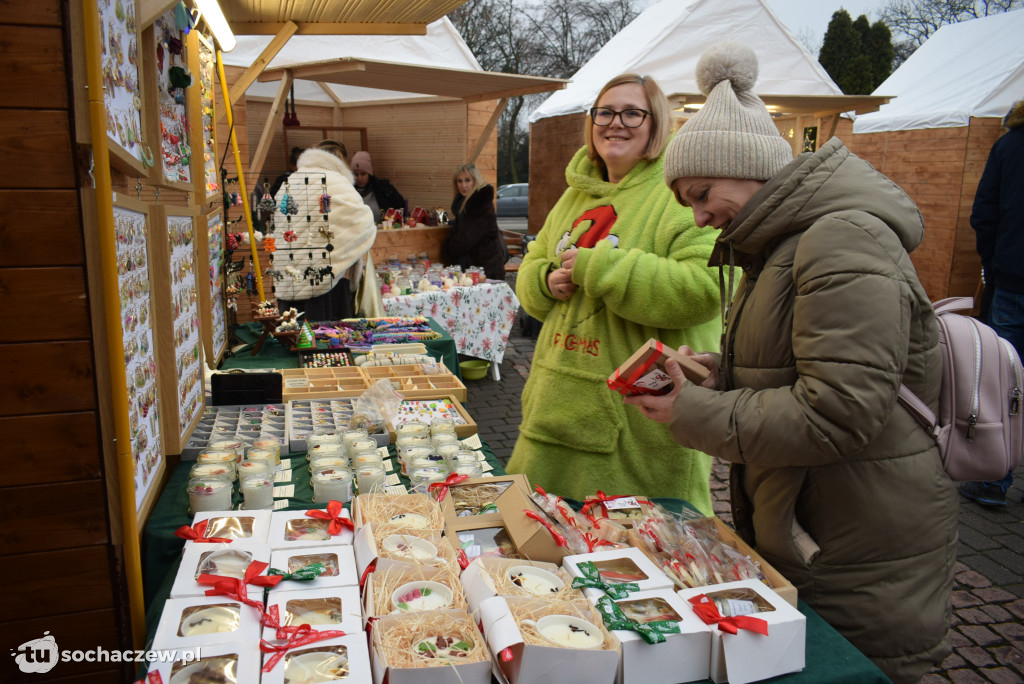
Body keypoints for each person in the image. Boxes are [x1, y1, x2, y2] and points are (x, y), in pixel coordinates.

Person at [624, 43, 957, 683]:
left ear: (747, 167)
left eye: (702, 194)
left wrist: (696, 410)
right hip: (827, 527)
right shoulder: (785, 243)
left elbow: (839, 411)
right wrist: (721, 373)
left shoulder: (839, 238)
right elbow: (808, 366)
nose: (699, 217)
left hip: (857, 544)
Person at [504, 73, 722, 512]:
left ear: (656, 122)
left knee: (632, 555)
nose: (614, 123)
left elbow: (704, 289)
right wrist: (545, 280)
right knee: (540, 545)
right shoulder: (573, 197)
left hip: (635, 423)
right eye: (604, 112)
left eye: (631, 113)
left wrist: (603, 267)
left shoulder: (676, 193)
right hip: (554, 410)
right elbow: (530, 271)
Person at [960, 97, 1024, 506]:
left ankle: (994, 478)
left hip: (1014, 277)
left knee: (1004, 383)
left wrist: (993, 265)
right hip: (1012, 274)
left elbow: (983, 213)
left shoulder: (1010, 145)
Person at [273, 139, 376, 321]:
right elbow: (364, 224)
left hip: (289, 279)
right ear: (340, 160)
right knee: (327, 341)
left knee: (290, 336)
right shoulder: (339, 183)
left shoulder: (289, 182)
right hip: (325, 282)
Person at [441, 163, 508, 280]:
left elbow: (466, 238)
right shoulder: (466, 203)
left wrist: (447, 247)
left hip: (485, 270)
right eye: (459, 181)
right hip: (477, 268)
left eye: (468, 180)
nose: (463, 185)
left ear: (475, 181)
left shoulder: (479, 203)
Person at [350, 151, 406, 222]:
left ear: (369, 174)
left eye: (363, 174)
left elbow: (400, 208)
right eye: (356, 174)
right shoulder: (348, 191)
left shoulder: (384, 189)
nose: (359, 178)